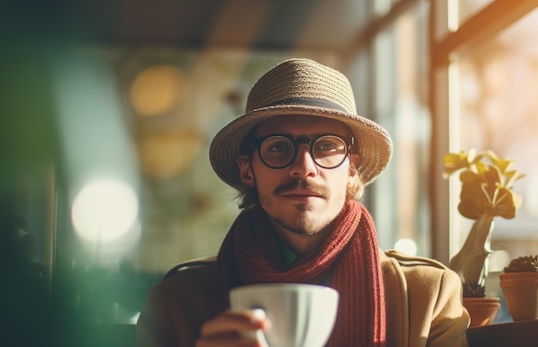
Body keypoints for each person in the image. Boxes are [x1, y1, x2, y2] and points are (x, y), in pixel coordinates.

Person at [136, 58, 470, 347]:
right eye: (279, 147)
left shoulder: (428, 298)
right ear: (247, 169)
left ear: (352, 169)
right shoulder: (176, 303)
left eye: (326, 147)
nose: (304, 167)